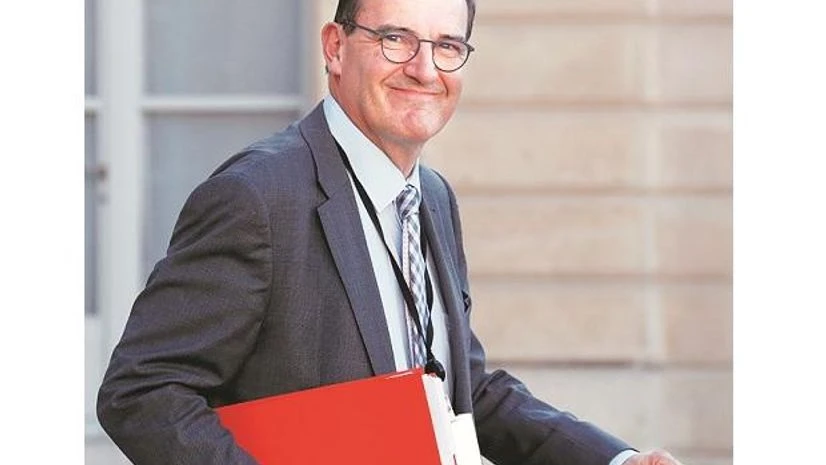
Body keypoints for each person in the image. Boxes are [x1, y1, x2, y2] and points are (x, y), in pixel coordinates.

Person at [97, 1, 685, 464]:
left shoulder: (432, 196)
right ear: (335, 47)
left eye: (447, 46)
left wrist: (615, 460)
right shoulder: (257, 197)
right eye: (395, 39)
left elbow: (461, 391)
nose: (424, 70)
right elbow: (141, 390)